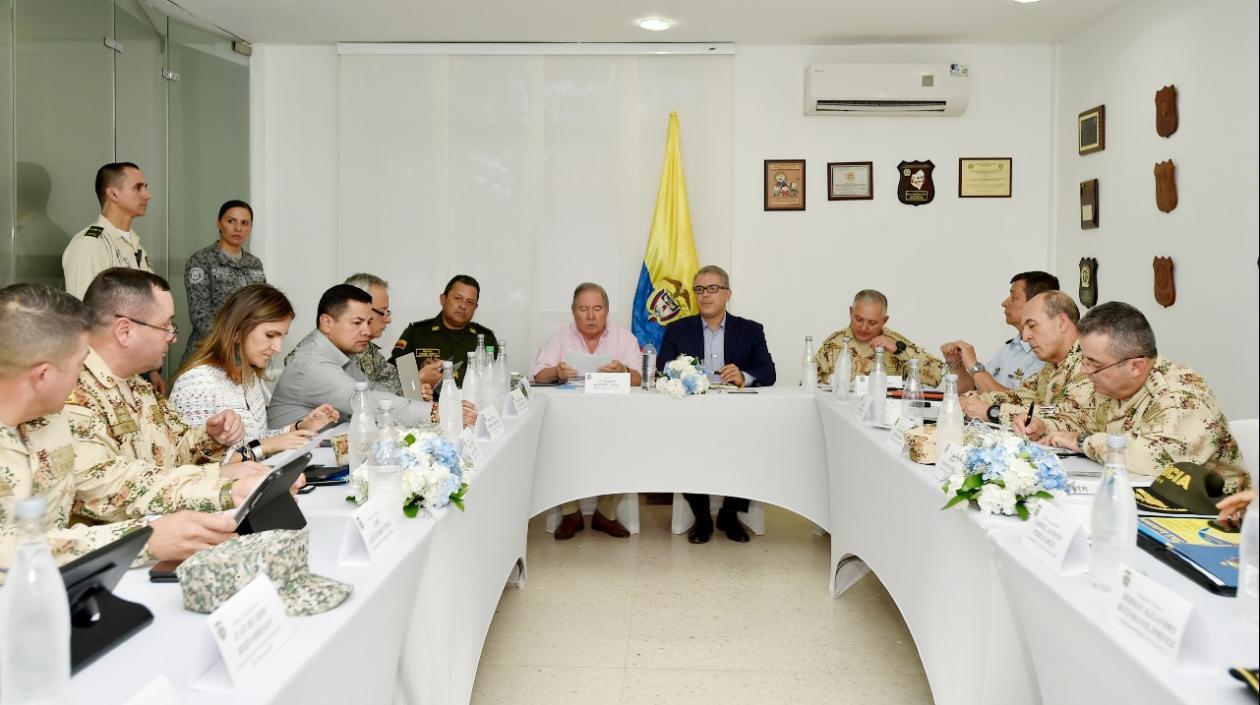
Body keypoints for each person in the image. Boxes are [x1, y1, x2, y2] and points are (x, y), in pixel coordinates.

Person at [0, 283, 241, 575]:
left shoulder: (49, 418)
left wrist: (222, 488)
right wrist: (145, 539)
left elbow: (110, 480)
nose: (83, 373)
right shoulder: (67, 407)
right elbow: (9, 550)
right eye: (79, 363)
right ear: (43, 376)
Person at [28, 269, 276, 524]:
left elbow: (174, 454)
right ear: (124, 331)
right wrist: (220, 484)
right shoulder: (69, 391)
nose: (173, 336)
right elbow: (109, 488)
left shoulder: (141, 387)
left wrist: (209, 437)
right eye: (165, 325)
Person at [1024, 302, 1248, 490]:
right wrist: (1045, 426)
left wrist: (1082, 442)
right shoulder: (1109, 384)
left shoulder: (1181, 395)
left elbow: (1149, 457)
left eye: (1093, 364)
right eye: (1084, 359)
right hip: (1141, 495)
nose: (1084, 370)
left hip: (1213, 515)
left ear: (1136, 366)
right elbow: (1080, 418)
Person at [658, 265, 776, 543]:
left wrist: (744, 377)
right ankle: (701, 517)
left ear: (727, 294)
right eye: (699, 289)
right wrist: (681, 375)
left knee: (753, 445)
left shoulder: (750, 330)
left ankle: (729, 513)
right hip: (691, 416)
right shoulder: (677, 330)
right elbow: (661, 371)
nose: (705, 295)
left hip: (736, 417)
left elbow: (768, 373)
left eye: (713, 288)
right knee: (685, 447)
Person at [269, 284, 476, 429]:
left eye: (369, 322)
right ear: (327, 323)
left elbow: (375, 389)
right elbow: (365, 400)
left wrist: (419, 400)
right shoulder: (312, 362)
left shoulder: (343, 351)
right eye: (357, 323)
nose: (367, 330)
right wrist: (434, 411)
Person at [171, 284, 340, 461]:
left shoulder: (249, 377)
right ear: (236, 332)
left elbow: (257, 440)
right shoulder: (197, 383)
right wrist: (266, 446)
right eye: (270, 335)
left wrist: (300, 427)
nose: (277, 347)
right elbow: (194, 465)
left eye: (282, 336)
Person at [531, 282, 639, 540]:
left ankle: (606, 514)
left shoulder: (624, 338)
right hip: (569, 422)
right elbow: (536, 372)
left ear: (607, 311)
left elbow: (641, 377)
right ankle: (571, 514)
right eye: (583, 309)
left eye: (597, 309)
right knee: (555, 445)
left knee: (627, 443)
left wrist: (624, 371)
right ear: (573, 312)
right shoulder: (559, 337)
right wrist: (556, 371)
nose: (591, 316)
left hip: (613, 420)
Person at [61, 162, 167, 394]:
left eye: (146, 187)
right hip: (103, 374)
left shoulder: (136, 246)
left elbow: (145, 313)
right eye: (138, 187)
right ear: (113, 193)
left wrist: (151, 371)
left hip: (133, 369)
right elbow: (83, 318)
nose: (147, 195)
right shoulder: (90, 245)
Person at [961, 291, 1095, 431]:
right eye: (1024, 328)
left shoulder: (1090, 362)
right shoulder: (1050, 367)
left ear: (1061, 322)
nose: (1025, 337)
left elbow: (1065, 414)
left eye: (1031, 326)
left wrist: (994, 412)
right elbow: (1018, 398)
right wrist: (973, 400)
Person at [942, 271, 1059, 393]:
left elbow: (1021, 403)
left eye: (1013, 297)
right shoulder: (1010, 348)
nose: (1004, 303)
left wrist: (973, 365)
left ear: (1035, 302)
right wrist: (956, 363)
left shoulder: (1044, 354)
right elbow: (969, 388)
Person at [181, 200, 267, 364]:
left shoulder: (255, 264)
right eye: (231, 221)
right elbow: (200, 315)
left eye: (244, 223)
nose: (238, 228)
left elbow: (262, 308)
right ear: (219, 223)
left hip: (245, 355)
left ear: (250, 227)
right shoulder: (201, 260)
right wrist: (233, 338)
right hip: (209, 353)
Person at [816, 289, 944, 387]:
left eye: (872, 323)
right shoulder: (833, 344)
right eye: (859, 319)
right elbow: (807, 386)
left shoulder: (896, 343)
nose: (864, 328)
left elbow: (938, 377)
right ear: (850, 312)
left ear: (884, 320)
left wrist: (900, 351)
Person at [392, 274, 497, 391]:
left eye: (470, 302)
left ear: (475, 308)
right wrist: (420, 372)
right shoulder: (416, 334)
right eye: (458, 298)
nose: (463, 306)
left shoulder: (486, 339)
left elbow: (495, 381)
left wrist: (449, 376)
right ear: (443, 299)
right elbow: (391, 376)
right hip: (424, 406)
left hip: (471, 405)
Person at [344, 273, 403, 395]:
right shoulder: (336, 349)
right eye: (382, 311)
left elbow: (392, 379)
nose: (388, 319)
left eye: (388, 312)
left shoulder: (366, 347)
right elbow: (357, 397)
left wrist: (415, 382)